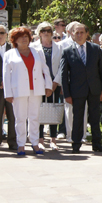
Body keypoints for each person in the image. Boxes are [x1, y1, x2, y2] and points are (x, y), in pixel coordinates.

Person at [2, 27, 53, 156]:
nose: (24, 39)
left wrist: (48, 86)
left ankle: (35, 143)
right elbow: (6, 75)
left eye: (26, 36)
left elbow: (45, 69)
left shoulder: (37, 52)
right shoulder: (9, 54)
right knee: (20, 118)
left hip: (36, 88)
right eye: (20, 37)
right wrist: (8, 93)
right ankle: (21, 144)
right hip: (18, 90)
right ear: (15, 40)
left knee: (34, 117)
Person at [60, 23, 102, 154]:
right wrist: (67, 94)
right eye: (77, 32)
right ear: (72, 34)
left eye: (82, 32)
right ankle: (76, 144)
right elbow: (64, 75)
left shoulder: (96, 49)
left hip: (94, 89)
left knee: (94, 118)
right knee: (77, 118)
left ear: (87, 34)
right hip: (76, 90)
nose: (79, 35)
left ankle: (97, 144)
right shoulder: (67, 51)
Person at [31, 22, 63, 151]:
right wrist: (43, 84)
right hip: (39, 83)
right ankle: (39, 139)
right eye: (43, 30)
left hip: (55, 83)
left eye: (48, 30)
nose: (46, 33)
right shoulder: (33, 47)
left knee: (53, 109)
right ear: (39, 33)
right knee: (39, 110)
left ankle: (53, 139)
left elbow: (62, 65)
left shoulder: (59, 47)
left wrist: (55, 83)